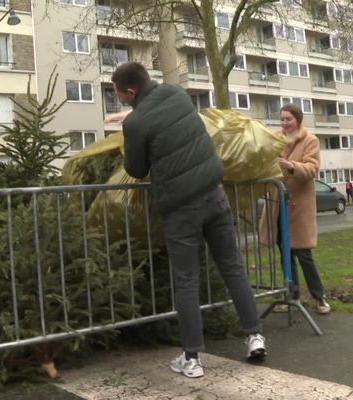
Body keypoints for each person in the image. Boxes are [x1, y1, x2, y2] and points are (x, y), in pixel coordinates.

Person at [108, 62, 266, 378]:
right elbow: (170, 122)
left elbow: (137, 169)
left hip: (181, 207)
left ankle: (191, 358)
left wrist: (131, 129)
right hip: (215, 194)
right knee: (233, 267)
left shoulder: (136, 123)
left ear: (131, 91)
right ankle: (254, 336)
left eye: (120, 95)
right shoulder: (176, 93)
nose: (120, 100)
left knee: (186, 279)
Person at [259, 104, 331, 315]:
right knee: (284, 254)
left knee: (303, 254)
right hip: (278, 206)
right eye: (282, 119)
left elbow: (312, 169)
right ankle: (292, 296)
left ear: (298, 120)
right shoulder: (276, 138)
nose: (284, 123)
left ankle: (320, 298)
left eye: (288, 119)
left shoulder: (310, 140)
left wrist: (291, 166)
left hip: (299, 208)